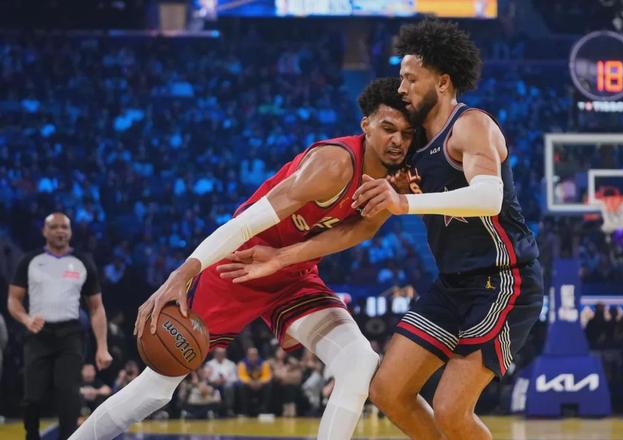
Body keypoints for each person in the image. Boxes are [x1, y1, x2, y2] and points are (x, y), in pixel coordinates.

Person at [218, 20, 543, 440]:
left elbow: (488, 197)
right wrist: (282, 256)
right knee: (388, 391)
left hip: (503, 280)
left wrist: (403, 202)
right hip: (454, 284)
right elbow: (360, 223)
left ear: (442, 82)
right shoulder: (411, 143)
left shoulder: (470, 125)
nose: (402, 87)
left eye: (411, 78)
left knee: (451, 409)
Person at [70, 77, 415, 440]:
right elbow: (245, 223)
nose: (398, 140)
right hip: (240, 262)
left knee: (359, 361)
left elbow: (358, 231)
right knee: (158, 385)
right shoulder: (334, 165)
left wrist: (282, 258)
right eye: (388, 128)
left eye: (407, 134)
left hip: (290, 269)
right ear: (366, 125)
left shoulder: (390, 183)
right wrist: (181, 274)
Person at [7, 212, 113, 439]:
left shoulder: (82, 262)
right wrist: (26, 319)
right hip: (38, 333)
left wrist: (102, 347)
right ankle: (31, 436)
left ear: (70, 231)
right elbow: (13, 299)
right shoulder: (30, 260)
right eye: (54, 227)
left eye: (64, 227)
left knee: (69, 393)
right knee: (32, 396)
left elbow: (96, 308)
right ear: (44, 231)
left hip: (70, 335)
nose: (60, 231)